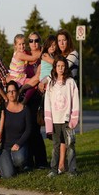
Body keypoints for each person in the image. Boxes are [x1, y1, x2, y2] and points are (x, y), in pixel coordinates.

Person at [42, 29, 79, 174]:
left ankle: (68, 168)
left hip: (68, 103)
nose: (61, 43)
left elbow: (64, 66)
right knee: (58, 143)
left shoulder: (73, 55)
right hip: (56, 113)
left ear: (68, 41)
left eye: (64, 40)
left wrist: (47, 59)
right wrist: (43, 80)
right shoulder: (53, 78)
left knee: (70, 142)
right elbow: (52, 74)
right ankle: (58, 166)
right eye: (59, 41)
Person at [0, 80, 31, 178]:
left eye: (13, 91)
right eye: (9, 91)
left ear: (17, 92)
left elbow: (28, 129)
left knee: (19, 160)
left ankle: (16, 164)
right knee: (9, 175)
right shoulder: (3, 108)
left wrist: (18, 144)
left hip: (19, 145)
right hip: (5, 147)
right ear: (6, 94)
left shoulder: (25, 109)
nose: (11, 93)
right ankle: (4, 165)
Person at [25, 31, 48, 169]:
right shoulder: (25, 56)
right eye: (31, 41)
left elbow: (39, 77)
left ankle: (41, 161)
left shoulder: (43, 57)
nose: (34, 43)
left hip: (37, 97)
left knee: (34, 129)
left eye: (36, 40)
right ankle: (28, 161)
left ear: (40, 41)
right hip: (25, 98)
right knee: (26, 130)